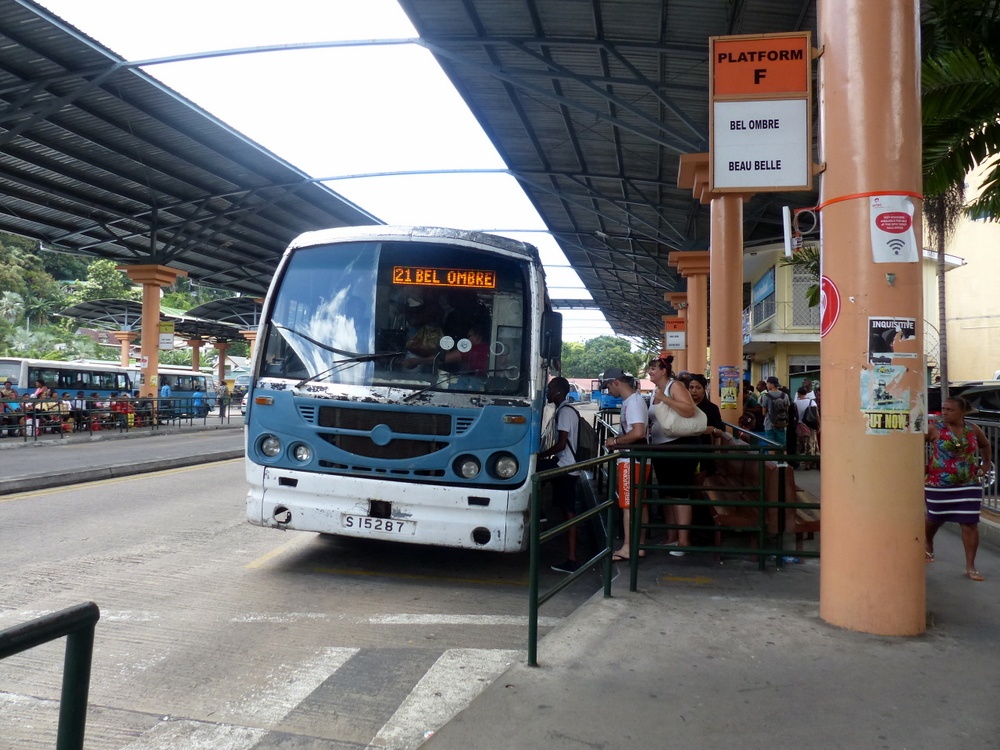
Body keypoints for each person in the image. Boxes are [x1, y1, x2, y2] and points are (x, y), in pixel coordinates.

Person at [924, 396, 993, 581]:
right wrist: (922, 465)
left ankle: (971, 567)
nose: (945, 413)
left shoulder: (973, 429)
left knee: (970, 523)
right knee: (935, 517)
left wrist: (985, 465)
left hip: (968, 483)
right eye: (944, 409)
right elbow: (915, 445)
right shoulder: (934, 428)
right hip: (938, 484)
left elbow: (985, 445)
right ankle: (928, 541)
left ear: (962, 412)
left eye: (949, 410)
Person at [646, 356, 701, 555]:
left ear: (664, 371)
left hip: (680, 445)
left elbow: (689, 409)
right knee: (667, 493)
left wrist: (665, 399)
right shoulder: (657, 391)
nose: (650, 371)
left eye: (653, 368)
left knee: (680, 492)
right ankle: (671, 537)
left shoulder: (674, 386)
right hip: (662, 447)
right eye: (649, 368)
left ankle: (683, 541)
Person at [600, 368, 648, 561]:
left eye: (608, 386)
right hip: (638, 458)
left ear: (616, 383)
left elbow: (638, 433)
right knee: (639, 504)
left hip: (631, 459)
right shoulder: (635, 401)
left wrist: (616, 442)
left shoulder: (633, 403)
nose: (608, 391)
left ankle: (628, 547)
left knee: (628, 505)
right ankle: (639, 545)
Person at [537, 377, 581, 573]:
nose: (547, 392)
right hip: (566, 464)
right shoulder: (567, 410)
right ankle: (541, 513)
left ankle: (572, 560)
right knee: (567, 512)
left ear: (557, 391)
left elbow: (562, 444)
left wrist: (540, 455)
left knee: (569, 514)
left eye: (549, 388)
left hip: (566, 468)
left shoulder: (564, 412)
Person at [759, 376, 790, 446]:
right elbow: (786, 410)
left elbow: (763, 413)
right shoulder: (785, 395)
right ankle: (782, 457)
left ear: (772, 385)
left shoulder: (766, 396)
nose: (766, 385)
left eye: (767, 383)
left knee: (771, 447)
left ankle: (772, 457)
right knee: (782, 446)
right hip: (781, 424)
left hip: (769, 424)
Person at [793, 386, 819, 469]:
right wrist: (819, 426)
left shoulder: (795, 403)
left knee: (798, 446)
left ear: (798, 393)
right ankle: (809, 463)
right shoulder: (812, 402)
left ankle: (797, 462)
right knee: (810, 445)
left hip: (799, 426)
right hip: (810, 426)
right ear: (806, 393)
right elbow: (816, 416)